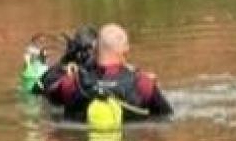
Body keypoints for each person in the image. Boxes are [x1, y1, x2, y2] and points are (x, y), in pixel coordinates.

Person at [41, 23, 173, 123]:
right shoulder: (144, 83)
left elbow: (45, 90)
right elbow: (166, 116)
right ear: (126, 49)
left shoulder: (72, 82)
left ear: (95, 47)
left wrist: (66, 62)